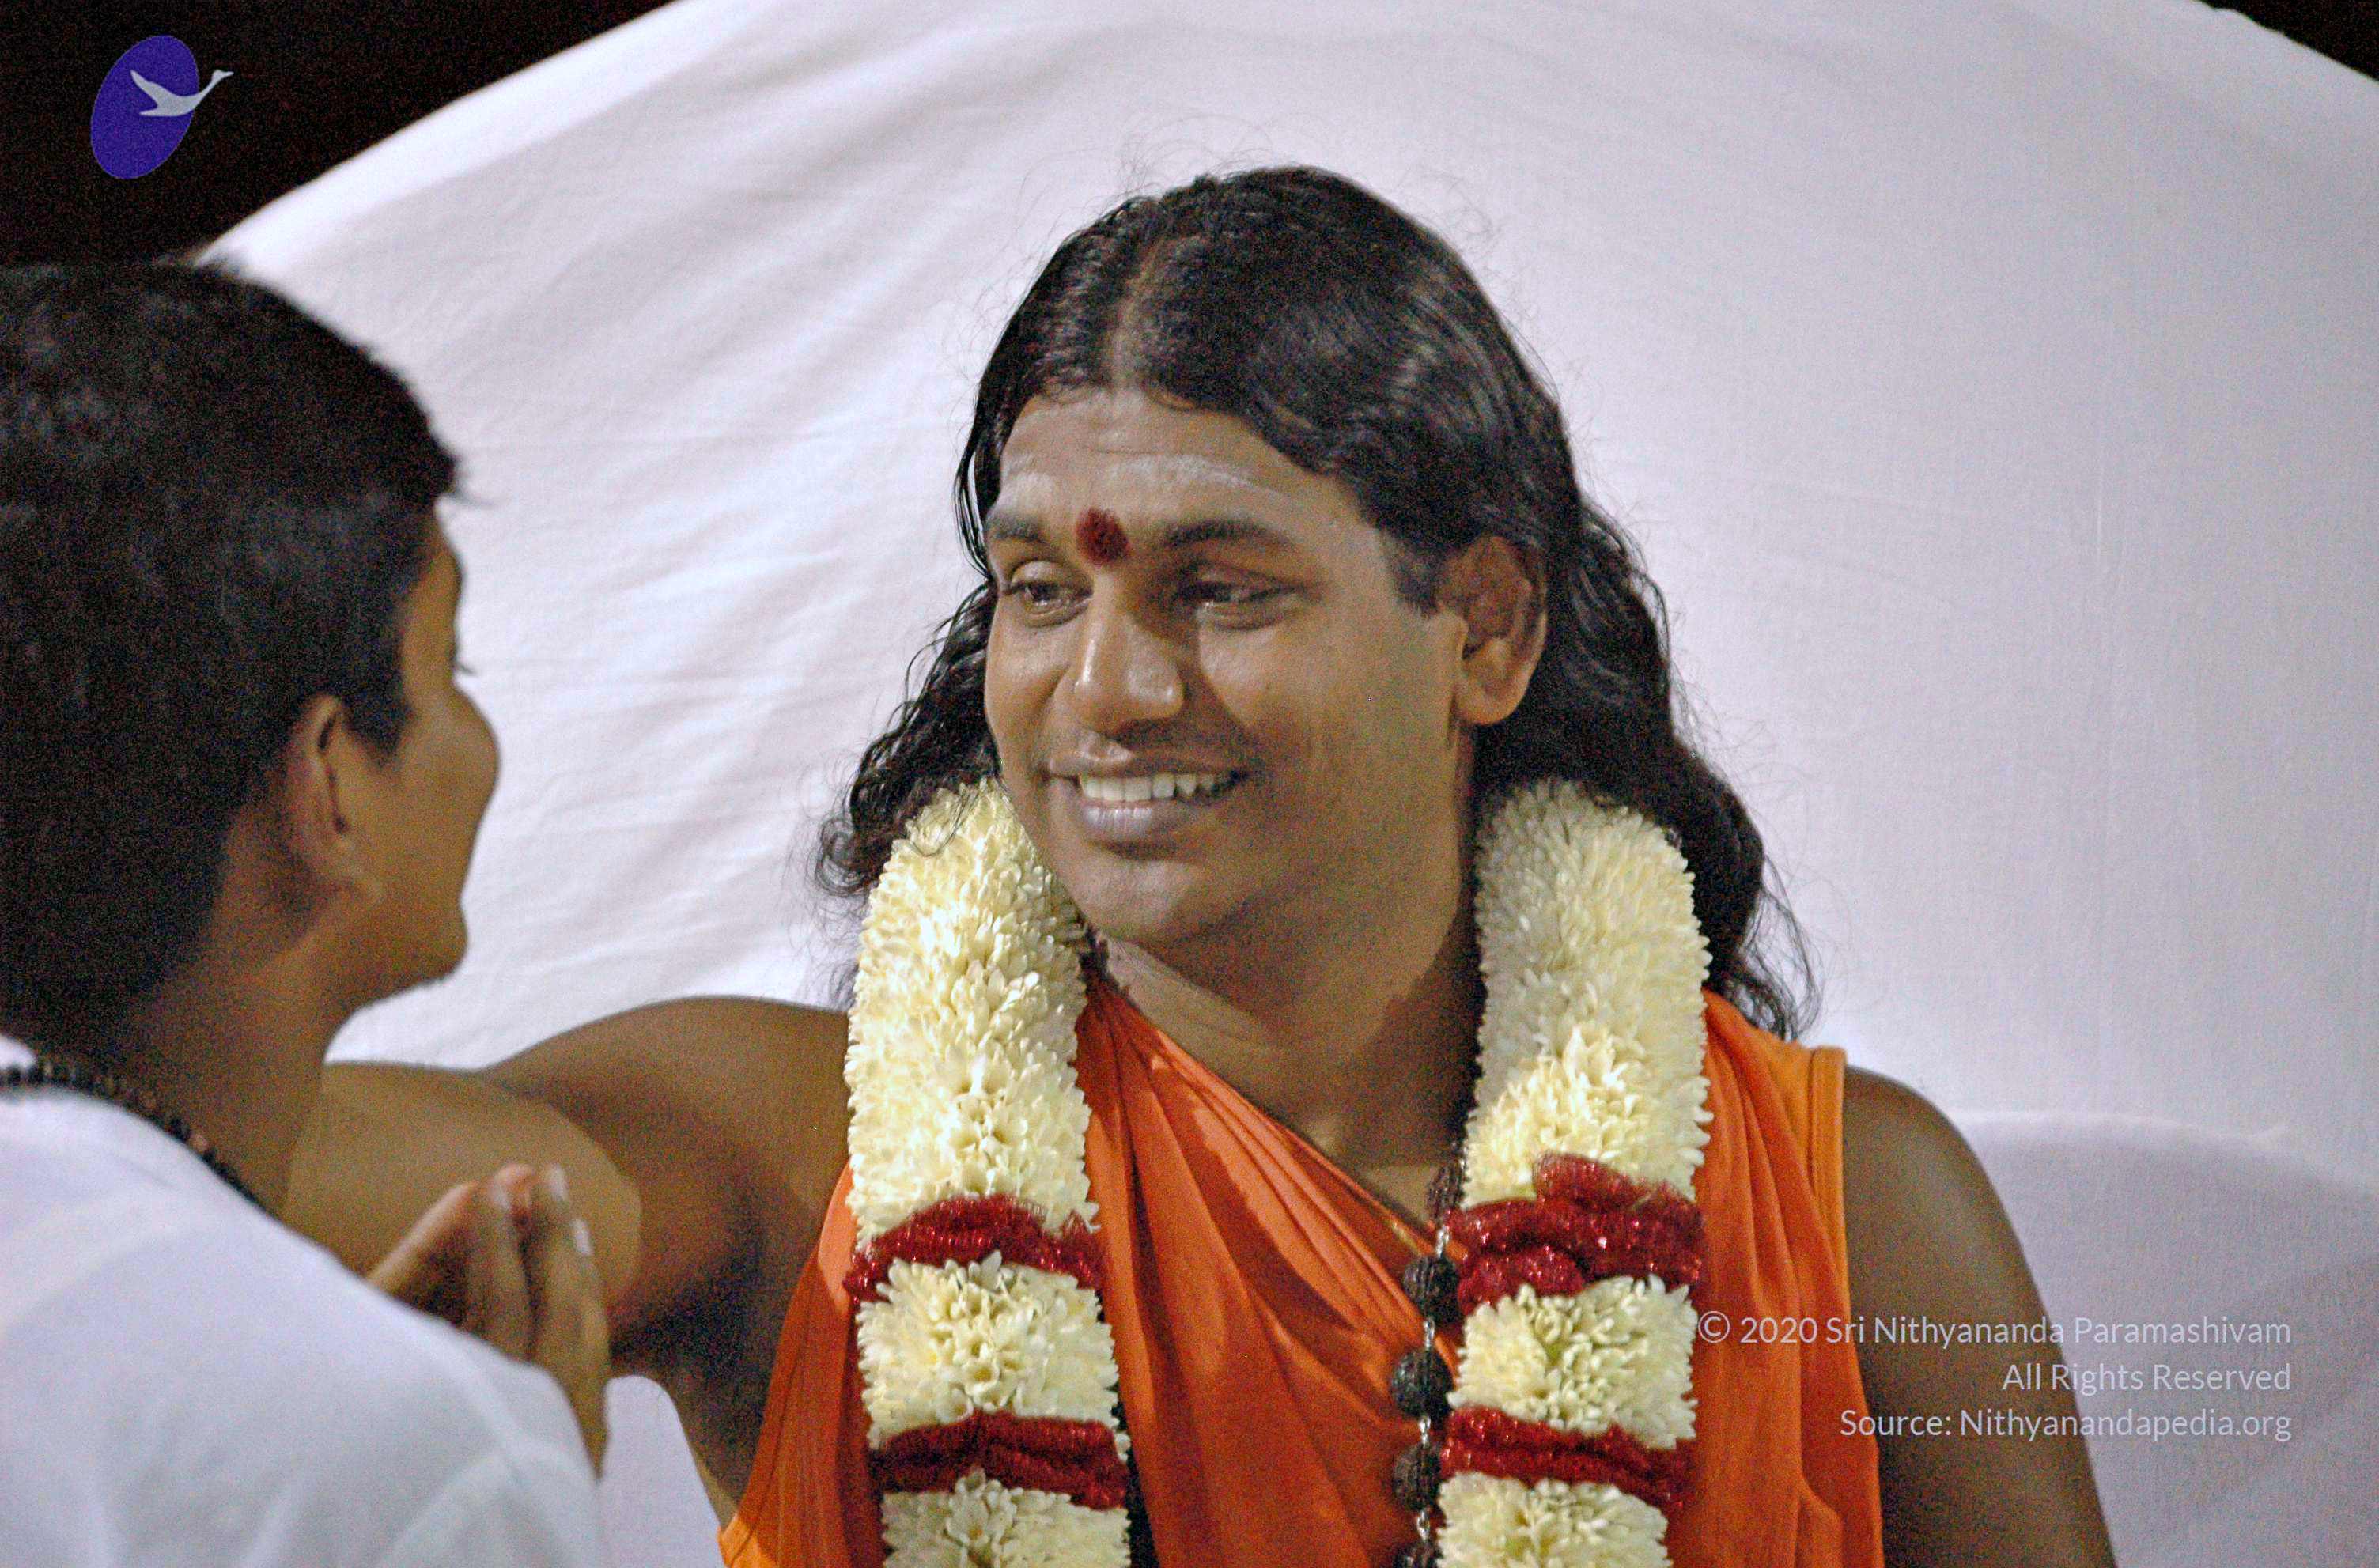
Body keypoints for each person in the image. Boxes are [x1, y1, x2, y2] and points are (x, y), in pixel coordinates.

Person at [293, 168, 2117, 1567]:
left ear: (1485, 628)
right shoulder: (791, 1157)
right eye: (1039, 589)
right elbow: (248, 1178)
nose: (1104, 689)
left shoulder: (1859, 1214)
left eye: (1219, 588)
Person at [0, 261, 612, 1567]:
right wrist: (464, 1474)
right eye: (452, 666)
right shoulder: (397, 1452)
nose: (479, 738)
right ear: (328, 785)